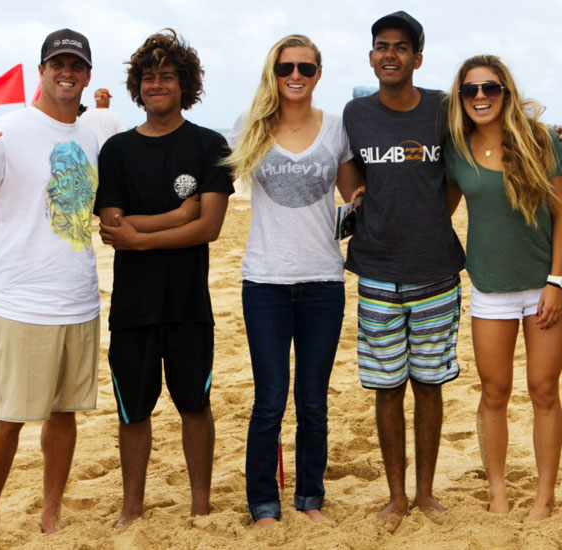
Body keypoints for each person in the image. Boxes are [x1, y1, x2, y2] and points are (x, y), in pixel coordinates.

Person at [0, 29, 99, 536]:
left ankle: (51, 512)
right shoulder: (6, 131)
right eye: (58, 64)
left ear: (88, 75)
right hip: (18, 302)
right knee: (7, 417)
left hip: (79, 301)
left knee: (63, 414)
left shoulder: (94, 136)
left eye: (75, 64)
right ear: (43, 71)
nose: (66, 72)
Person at [94, 29, 233, 527]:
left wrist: (143, 234)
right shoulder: (116, 151)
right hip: (132, 306)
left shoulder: (209, 145)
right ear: (137, 87)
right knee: (133, 410)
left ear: (185, 85)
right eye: (148, 78)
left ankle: (200, 504)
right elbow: (113, 225)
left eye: (167, 77)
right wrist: (177, 217)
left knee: (195, 403)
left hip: (187, 304)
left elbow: (210, 227)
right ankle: (133, 507)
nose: (157, 85)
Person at [226, 34, 362, 527]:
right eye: (286, 68)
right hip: (264, 280)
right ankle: (263, 505)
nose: (296, 75)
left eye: (305, 66)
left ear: (319, 72)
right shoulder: (250, 126)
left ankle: (310, 499)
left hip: (323, 280)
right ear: (274, 72)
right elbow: (212, 178)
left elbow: (353, 195)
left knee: (312, 399)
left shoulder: (337, 128)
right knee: (269, 399)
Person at [342, 10, 466, 532]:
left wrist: (431, 219)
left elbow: (457, 175)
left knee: (430, 384)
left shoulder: (443, 108)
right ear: (371, 56)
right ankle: (396, 497)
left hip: (436, 269)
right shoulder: (355, 113)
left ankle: (426, 494)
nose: (388, 54)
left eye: (399, 47)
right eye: (379, 46)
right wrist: (356, 197)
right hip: (374, 269)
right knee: (386, 387)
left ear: (417, 57)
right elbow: (348, 168)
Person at [444, 55, 562, 521]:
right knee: (494, 392)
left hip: (545, 286)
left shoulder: (540, 140)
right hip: (489, 289)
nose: (481, 97)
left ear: (506, 91)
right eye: (471, 90)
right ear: (461, 98)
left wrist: (556, 282)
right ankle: (497, 492)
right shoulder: (457, 147)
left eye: (490, 88)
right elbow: (437, 210)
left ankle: (544, 495)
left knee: (543, 390)